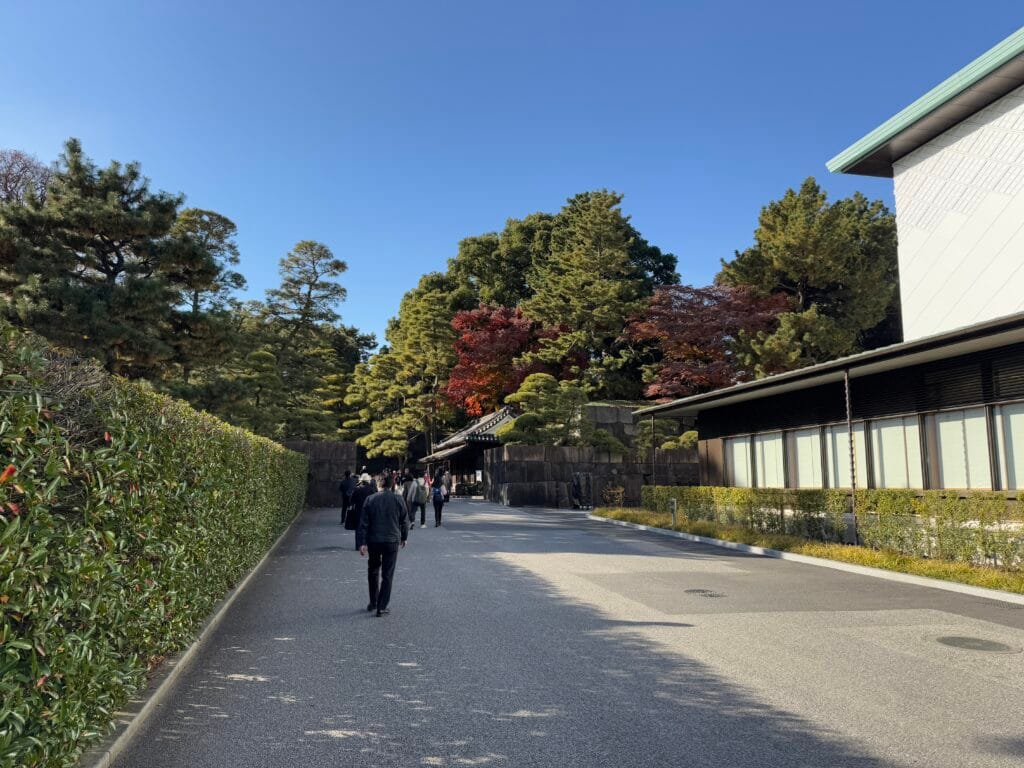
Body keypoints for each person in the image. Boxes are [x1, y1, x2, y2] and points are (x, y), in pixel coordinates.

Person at [358, 475, 409, 617]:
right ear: (392, 485)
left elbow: (363, 523)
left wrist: (362, 543)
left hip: (373, 540)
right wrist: (404, 537)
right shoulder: (398, 499)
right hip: (391, 540)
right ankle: (382, 606)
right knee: (388, 574)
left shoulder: (370, 499)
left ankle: (373, 602)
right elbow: (404, 520)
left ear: (378, 485)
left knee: (373, 570)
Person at [347, 473, 375, 550]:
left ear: (361, 481)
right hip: (370, 511)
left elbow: (352, 501)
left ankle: (358, 545)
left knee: (358, 528)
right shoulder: (372, 490)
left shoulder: (357, 490)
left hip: (358, 510)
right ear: (368, 481)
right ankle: (368, 545)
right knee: (369, 527)